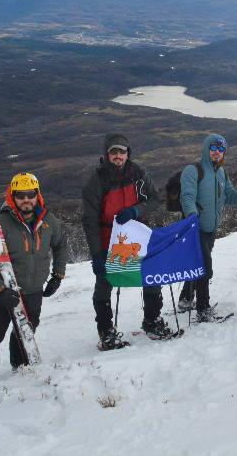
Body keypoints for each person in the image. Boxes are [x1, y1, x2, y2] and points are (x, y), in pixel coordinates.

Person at [0, 173, 67, 383]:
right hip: (4, 291)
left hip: (33, 290)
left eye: (30, 194)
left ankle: (21, 365)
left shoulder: (48, 221)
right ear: (12, 196)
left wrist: (58, 274)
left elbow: (61, 245)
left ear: (37, 195)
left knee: (26, 331)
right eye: (20, 195)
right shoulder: (1, 222)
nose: (26, 200)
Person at [81, 133, 166, 350]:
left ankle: (152, 321)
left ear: (128, 153)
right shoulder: (97, 180)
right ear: (107, 154)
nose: (118, 156)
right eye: (113, 152)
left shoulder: (139, 174)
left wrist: (136, 210)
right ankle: (106, 331)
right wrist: (96, 254)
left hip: (137, 236)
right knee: (104, 284)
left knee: (150, 276)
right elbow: (89, 220)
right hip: (109, 240)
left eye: (122, 151)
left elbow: (155, 199)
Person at [177, 134, 237, 321]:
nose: (217, 152)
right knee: (205, 268)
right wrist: (191, 215)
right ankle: (203, 310)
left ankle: (186, 300)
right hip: (194, 227)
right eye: (213, 147)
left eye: (221, 149)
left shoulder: (222, 173)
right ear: (206, 149)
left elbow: (230, 197)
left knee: (197, 265)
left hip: (210, 228)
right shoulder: (193, 170)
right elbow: (187, 196)